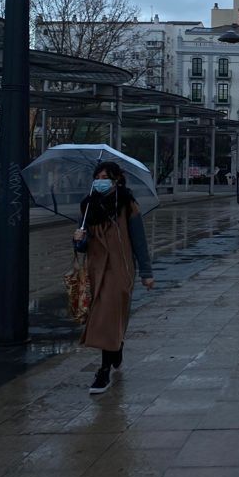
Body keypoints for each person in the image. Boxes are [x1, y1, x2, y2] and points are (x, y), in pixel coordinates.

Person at [73, 161, 154, 395]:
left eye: (104, 176)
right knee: (102, 317)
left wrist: (146, 273)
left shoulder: (127, 204)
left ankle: (104, 370)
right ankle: (116, 347)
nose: (99, 180)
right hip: (95, 270)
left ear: (117, 179)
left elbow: (139, 241)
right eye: (97, 176)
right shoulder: (88, 206)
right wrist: (78, 238)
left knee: (107, 317)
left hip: (120, 269)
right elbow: (82, 246)